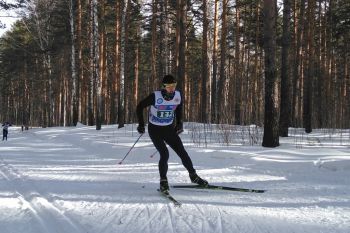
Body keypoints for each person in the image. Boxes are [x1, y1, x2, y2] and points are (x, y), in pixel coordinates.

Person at [136, 74, 208, 193]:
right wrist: (141, 124)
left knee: (182, 152)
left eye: (173, 86)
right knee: (165, 154)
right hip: (155, 130)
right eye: (169, 86)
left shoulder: (178, 96)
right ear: (164, 86)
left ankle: (193, 176)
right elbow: (140, 106)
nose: (172, 89)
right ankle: (163, 181)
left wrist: (179, 123)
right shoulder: (155, 96)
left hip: (168, 129)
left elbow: (178, 108)